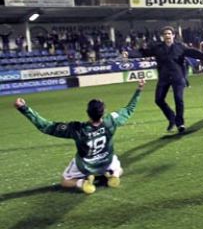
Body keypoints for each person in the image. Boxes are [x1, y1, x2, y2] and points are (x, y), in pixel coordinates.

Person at [14, 79, 146, 194]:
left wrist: (24, 109)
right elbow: (129, 109)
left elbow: (47, 126)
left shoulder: (77, 129)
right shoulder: (111, 121)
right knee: (120, 168)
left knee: (65, 181)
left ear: (87, 113)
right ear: (104, 112)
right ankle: (112, 175)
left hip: (85, 165)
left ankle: (83, 183)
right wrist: (139, 89)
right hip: (106, 161)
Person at [127, 26, 196, 133]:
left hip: (177, 77)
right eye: (165, 34)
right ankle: (172, 118)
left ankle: (180, 123)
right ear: (162, 36)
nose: (167, 35)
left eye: (169, 33)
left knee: (178, 99)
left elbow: (192, 54)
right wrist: (129, 53)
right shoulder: (157, 48)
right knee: (158, 100)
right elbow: (144, 52)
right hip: (164, 77)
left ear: (173, 35)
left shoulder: (180, 47)